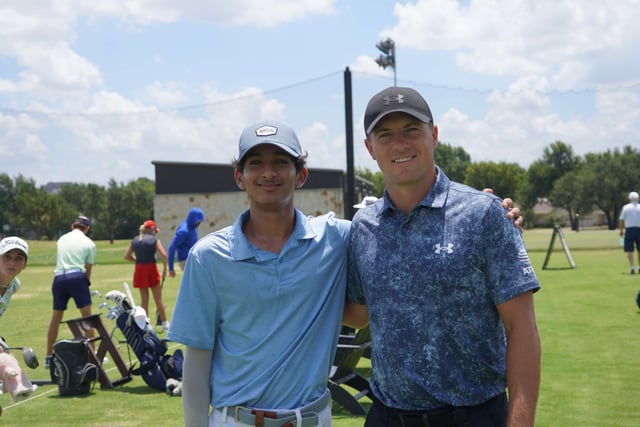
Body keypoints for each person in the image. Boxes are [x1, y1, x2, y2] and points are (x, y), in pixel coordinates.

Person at [345, 86, 541, 427]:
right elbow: (358, 315)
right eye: (385, 134)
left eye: (411, 130)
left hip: (472, 416)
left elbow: (522, 328)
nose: (400, 144)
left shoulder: (483, 214)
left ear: (433, 135)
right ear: (369, 148)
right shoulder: (363, 226)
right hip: (386, 417)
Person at [168, 120, 351, 426]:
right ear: (240, 176)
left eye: (281, 162)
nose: (268, 173)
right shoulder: (208, 257)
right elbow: (197, 362)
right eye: (256, 164)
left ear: (301, 174)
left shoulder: (336, 240)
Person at [45, 215, 96, 369]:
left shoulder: (61, 239)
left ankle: (48, 357)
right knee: (87, 317)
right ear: (86, 229)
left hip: (59, 278)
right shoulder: (89, 243)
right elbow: (88, 269)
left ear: (73, 226)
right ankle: (92, 355)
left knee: (56, 318)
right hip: (77, 276)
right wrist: (84, 285)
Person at [124, 220, 170, 332]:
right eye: (154, 230)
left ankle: (146, 325)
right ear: (151, 229)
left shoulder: (135, 240)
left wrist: (136, 259)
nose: (155, 232)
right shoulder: (154, 240)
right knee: (158, 299)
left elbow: (127, 256)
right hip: (151, 268)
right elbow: (164, 255)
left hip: (140, 269)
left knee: (144, 299)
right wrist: (164, 269)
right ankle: (165, 324)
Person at [167, 207, 205, 278]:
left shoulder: (193, 228)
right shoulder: (184, 231)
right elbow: (172, 248)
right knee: (197, 283)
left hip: (192, 259)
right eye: (198, 221)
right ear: (193, 218)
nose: (199, 223)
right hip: (186, 261)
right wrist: (171, 268)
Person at [0, 237, 29, 317]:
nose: (12, 263)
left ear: (25, 264)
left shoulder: (14, 285)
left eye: (19, 258)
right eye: (7, 256)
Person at [619, 191, 640, 274]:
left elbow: (621, 219)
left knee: (629, 249)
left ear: (630, 199)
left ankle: (632, 267)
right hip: (639, 229)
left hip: (629, 230)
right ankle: (639, 266)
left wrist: (621, 230)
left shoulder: (626, 207)